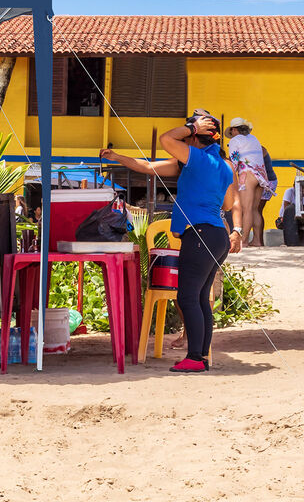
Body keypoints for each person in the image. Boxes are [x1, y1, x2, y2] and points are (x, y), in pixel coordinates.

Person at [101, 111, 241, 372]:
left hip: (200, 235)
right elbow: (148, 168)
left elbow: (166, 138)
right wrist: (118, 157)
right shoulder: (222, 165)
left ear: (195, 137)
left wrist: (190, 127)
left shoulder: (197, 158)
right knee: (199, 298)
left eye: (191, 134)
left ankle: (195, 358)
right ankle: (200, 357)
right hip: (216, 236)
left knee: (188, 296)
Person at [224, 117, 273, 247]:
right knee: (255, 210)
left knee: (246, 209)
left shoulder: (235, 140)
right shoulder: (253, 138)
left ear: (234, 129)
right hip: (261, 175)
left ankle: (244, 241)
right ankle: (257, 240)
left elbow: (234, 161)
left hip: (247, 174)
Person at [256, 146, 277, 246]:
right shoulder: (256, 146)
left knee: (255, 211)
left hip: (266, 182)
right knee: (257, 211)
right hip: (267, 181)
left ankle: (258, 241)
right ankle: (259, 241)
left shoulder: (256, 147)